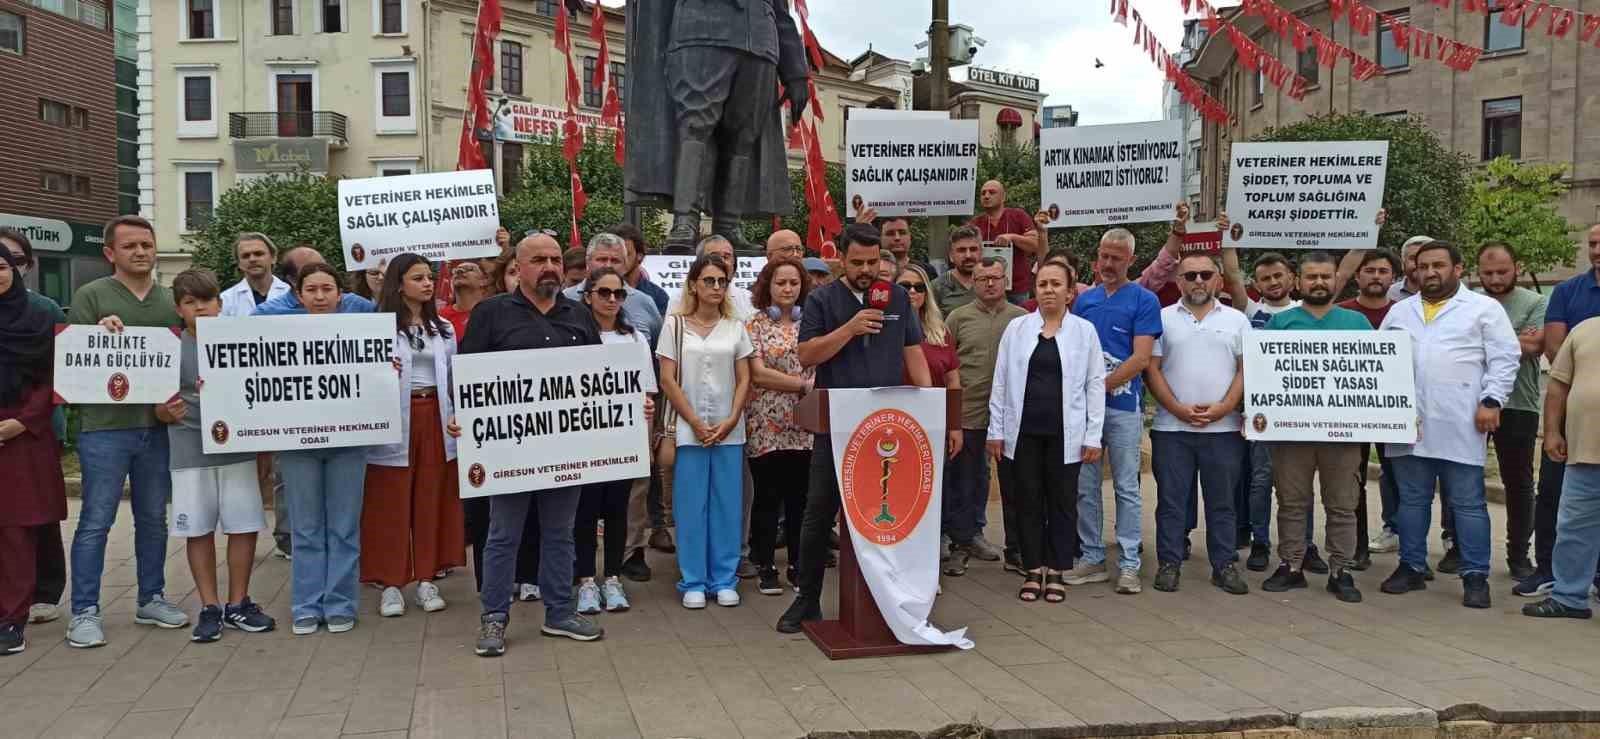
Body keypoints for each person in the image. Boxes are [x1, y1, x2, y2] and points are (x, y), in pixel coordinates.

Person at [453, 233, 619, 656]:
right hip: (511, 451)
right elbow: (465, 379)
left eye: (555, 259)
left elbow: (597, 380)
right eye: (538, 260)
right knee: (503, 534)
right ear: (519, 267)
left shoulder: (579, 316)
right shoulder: (491, 314)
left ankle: (560, 612)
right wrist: (464, 418)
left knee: (560, 532)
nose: (549, 266)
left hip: (564, 452)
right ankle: (493, 618)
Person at [777, 223, 938, 633]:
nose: (867, 270)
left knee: (886, 516)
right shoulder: (822, 300)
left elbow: (914, 354)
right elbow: (808, 354)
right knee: (818, 513)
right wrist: (850, 328)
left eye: (873, 262)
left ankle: (889, 599)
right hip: (838, 427)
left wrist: (936, 410)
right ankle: (807, 599)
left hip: (886, 427)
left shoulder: (897, 297)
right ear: (841, 260)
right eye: (858, 263)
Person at [65, 215, 188, 649]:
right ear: (110, 253)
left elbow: (183, 364)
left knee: (153, 519)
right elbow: (75, 362)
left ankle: (151, 597)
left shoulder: (169, 301)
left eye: (147, 245)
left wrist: (171, 406)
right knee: (96, 521)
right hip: (105, 430)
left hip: (156, 431)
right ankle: (83, 610)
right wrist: (98, 338)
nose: (140, 252)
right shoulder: (91, 296)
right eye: (131, 246)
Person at [1378, 241, 1518, 609]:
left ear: (1458, 269)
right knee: (1411, 500)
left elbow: (1505, 359)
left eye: (1438, 265)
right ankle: (1411, 566)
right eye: (1423, 266)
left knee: (1467, 502)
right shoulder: (1400, 312)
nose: (1429, 272)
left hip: (1462, 418)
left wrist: (1492, 400)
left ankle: (1475, 576)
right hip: (1408, 420)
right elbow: (1380, 363)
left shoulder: (1483, 309)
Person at [163, 269, 277, 641]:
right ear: (179, 309)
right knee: (198, 530)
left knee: (243, 526)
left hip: (236, 449)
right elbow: (156, 403)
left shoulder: (242, 340)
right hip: (190, 448)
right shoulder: (170, 347)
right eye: (190, 303)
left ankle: (238, 602)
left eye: (207, 301)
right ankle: (209, 606)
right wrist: (164, 412)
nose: (200, 309)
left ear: (220, 303)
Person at [986, 261, 1104, 603]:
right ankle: (1033, 567)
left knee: (1063, 502)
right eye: (1042, 284)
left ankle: (1056, 569)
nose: (1048, 289)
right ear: (1034, 290)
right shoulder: (1018, 329)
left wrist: (1092, 435)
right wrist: (996, 429)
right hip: (1022, 433)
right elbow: (1001, 380)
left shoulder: (1084, 331)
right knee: (1027, 501)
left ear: (1070, 292)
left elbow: (1095, 385)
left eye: (1056, 284)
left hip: (1066, 434)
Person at [1258, 252, 1372, 603]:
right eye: (1311, 277)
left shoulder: (1357, 323)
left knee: (1342, 504)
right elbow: (1265, 375)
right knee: (1291, 502)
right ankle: (1291, 565)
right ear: (1298, 281)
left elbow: (1377, 374)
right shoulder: (1281, 323)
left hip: (1343, 432)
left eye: (1325, 276)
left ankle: (1342, 570)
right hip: (1292, 432)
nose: (1319, 283)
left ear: (1337, 279)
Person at [363, 255, 464, 619]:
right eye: (417, 278)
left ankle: (425, 578)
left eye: (428, 277)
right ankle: (391, 583)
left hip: (435, 417)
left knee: (430, 498)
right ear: (398, 283)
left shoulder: (444, 329)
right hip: (394, 422)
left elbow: (455, 377)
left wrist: (457, 414)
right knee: (390, 502)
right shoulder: (376, 326)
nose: (427, 284)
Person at [1145, 253, 1251, 595]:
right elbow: (1152, 368)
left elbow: (1245, 369)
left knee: (1223, 502)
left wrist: (1225, 407)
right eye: (1190, 276)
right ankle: (1169, 563)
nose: (1198, 281)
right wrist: (1176, 408)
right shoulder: (1161, 318)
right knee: (1172, 501)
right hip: (1172, 429)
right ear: (1179, 282)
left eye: (1206, 274)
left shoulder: (1237, 320)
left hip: (1223, 429)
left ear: (1218, 280)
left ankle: (1224, 564)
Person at [1066, 228, 1162, 594]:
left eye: (1116, 258)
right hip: (1085, 414)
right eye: (1104, 256)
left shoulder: (1144, 300)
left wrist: (1098, 387)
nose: (1108, 264)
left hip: (1122, 409)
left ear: (1130, 260)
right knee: (1085, 487)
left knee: (1126, 486)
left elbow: (1140, 357)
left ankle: (1129, 564)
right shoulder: (1085, 301)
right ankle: (1091, 558)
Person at [279, 263, 373, 635]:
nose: (320, 297)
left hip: (348, 442)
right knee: (304, 529)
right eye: (312, 290)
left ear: (340, 294)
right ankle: (305, 605)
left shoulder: (362, 331)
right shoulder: (277, 333)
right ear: (299, 295)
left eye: (327, 289)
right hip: (297, 442)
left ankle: (339, 603)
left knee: (344, 528)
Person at [658, 254, 754, 609]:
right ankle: (693, 580)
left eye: (722, 281)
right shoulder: (674, 325)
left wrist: (730, 419)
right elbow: (667, 379)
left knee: (728, 505)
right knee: (690, 506)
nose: (716, 287)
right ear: (694, 284)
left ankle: (724, 579)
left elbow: (745, 377)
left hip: (729, 430)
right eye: (709, 280)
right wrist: (696, 422)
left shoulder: (735, 326)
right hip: (688, 431)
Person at [1222, 249, 1324, 574]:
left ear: (1292, 278)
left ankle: (1305, 545)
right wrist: (1229, 238)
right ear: (1258, 284)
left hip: (1302, 415)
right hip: (1263, 413)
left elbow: (1345, 273)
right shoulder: (1252, 312)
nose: (1273, 282)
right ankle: (1260, 542)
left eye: (1278, 275)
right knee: (1261, 481)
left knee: (1300, 484)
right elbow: (1233, 276)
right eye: (1265, 278)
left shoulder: (1308, 312)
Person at [1520, 223, 1600, 598]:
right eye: (1593, 243)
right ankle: (1549, 569)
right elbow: (1556, 350)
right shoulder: (1569, 291)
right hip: (1571, 419)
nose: (1597, 250)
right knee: (1553, 494)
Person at [569, 267, 650, 614]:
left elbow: (647, 391)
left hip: (622, 439)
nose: (612, 300)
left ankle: (613, 577)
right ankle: (587, 580)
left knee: (617, 510)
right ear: (588, 296)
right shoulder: (572, 337)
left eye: (619, 294)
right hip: (584, 440)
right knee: (584, 512)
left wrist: (645, 417)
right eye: (604, 293)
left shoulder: (634, 339)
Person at [0, 247, 67, 655]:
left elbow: (52, 376)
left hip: (24, 433)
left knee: (16, 532)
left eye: (1, 268)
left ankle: (11, 619)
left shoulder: (38, 317)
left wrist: (23, 421)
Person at [945, 257, 1026, 572]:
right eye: (982, 279)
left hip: (1011, 416)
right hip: (970, 412)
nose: (989, 283)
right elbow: (948, 364)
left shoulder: (1021, 319)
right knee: (967, 480)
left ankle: (1017, 548)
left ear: (1005, 279)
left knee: (1015, 483)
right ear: (973, 282)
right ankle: (963, 543)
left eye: (995, 277)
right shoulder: (958, 318)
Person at [1474, 242, 1545, 581]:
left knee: (1518, 482)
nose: (1495, 278)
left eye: (1502, 271)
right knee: (1464, 476)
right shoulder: (1467, 303)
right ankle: (1459, 548)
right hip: (1471, 402)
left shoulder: (1536, 302)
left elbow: (1534, 347)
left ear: (1518, 266)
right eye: (1488, 272)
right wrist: (1514, 338)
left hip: (1519, 404)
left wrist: (1481, 339)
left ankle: (1518, 554)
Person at [745, 258, 815, 595]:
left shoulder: (814, 323)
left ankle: (800, 565)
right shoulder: (755, 324)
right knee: (767, 498)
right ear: (767, 287)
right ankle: (765, 565)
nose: (787, 289)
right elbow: (757, 374)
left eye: (793, 283)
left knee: (800, 499)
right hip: (765, 424)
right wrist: (801, 385)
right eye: (780, 283)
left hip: (805, 424)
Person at [1338, 249, 1404, 567]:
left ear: (1394, 277)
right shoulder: (1341, 313)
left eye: (1383, 271)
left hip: (1395, 412)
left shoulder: (1407, 313)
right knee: (1354, 481)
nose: (1376, 276)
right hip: (1353, 412)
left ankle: (1411, 553)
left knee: (1404, 480)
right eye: (1369, 270)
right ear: (1357, 275)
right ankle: (1357, 548)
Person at [564, 233, 664, 343]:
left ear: (625, 265)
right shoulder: (565, 298)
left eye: (615, 261)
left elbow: (658, 348)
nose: (608, 265)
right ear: (588, 262)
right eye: (602, 259)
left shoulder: (644, 302)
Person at [966, 180, 1040, 303]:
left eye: (992, 192)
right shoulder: (975, 223)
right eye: (983, 193)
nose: (986, 196)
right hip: (986, 287)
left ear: (1003, 196)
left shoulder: (1018, 216)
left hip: (1017, 288)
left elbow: (1035, 245)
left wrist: (1013, 237)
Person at [254, 246, 376, 316]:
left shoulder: (358, 306)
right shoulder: (266, 314)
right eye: (309, 271)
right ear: (292, 280)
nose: (320, 297)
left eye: (322, 267)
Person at [219, 233, 289, 316]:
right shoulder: (226, 300)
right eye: (245, 256)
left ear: (273, 258)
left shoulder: (290, 293)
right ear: (239, 263)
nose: (252, 259)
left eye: (258, 254)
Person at [611, 222, 672, 315]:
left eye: (626, 253)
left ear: (640, 255)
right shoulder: (593, 290)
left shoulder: (657, 296)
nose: (618, 259)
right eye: (614, 254)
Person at [931, 226, 983, 315]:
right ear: (951, 256)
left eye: (973, 249)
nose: (968, 255)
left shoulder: (992, 282)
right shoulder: (937, 287)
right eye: (961, 250)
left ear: (981, 252)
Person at [438, 260, 491, 341]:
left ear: (483, 281)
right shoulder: (440, 317)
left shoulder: (495, 312)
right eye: (455, 271)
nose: (459, 271)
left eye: (469, 269)